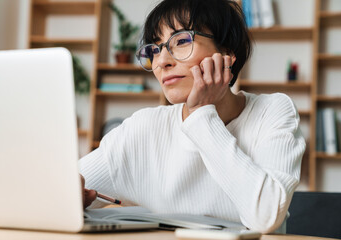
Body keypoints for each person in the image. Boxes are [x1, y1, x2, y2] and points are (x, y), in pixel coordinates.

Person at [79, 0, 306, 233]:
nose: (162, 61)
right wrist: (71, 195)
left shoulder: (273, 111)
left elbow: (265, 217)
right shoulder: (143, 128)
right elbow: (60, 190)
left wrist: (200, 114)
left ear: (227, 52)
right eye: (155, 49)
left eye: (181, 41)